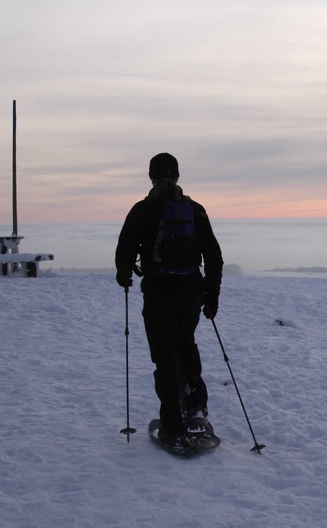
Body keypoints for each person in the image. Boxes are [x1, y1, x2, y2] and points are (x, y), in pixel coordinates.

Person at [115, 153, 223, 451]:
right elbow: (214, 256)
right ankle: (197, 410)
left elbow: (124, 249)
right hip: (191, 291)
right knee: (186, 344)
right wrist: (211, 297)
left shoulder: (143, 210)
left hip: (159, 291)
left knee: (165, 356)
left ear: (151, 177)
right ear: (177, 176)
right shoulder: (194, 210)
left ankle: (173, 427)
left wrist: (124, 276)